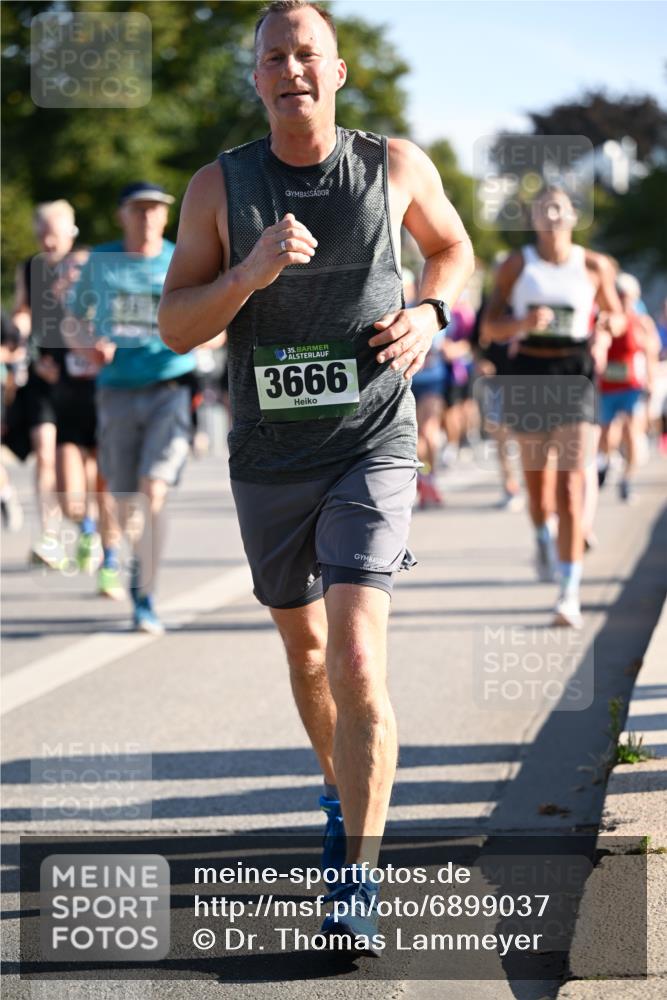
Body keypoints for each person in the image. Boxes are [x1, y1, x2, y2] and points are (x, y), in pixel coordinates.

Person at [158, 0, 474, 947]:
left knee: (356, 654)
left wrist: (430, 314)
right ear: (255, 79)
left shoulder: (393, 165)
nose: (291, 68)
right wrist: (247, 274)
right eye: (272, 57)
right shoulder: (218, 189)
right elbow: (177, 323)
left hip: (371, 439)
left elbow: (452, 247)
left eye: (308, 54)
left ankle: (356, 882)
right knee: (305, 657)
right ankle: (341, 798)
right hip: (268, 457)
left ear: (336, 73)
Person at [481, 186, 624, 629]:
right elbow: (489, 326)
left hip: (575, 373)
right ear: (534, 218)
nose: (551, 215)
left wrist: (605, 326)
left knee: (571, 487)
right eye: (543, 208)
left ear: (573, 215)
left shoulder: (594, 265)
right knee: (539, 490)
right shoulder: (516, 265)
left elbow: (618, 315)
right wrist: (522, 323)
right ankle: (542, 535)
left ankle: (569, 593)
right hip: (528, 374)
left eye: (558, 207)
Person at [67, 181, 197, 633]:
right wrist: (88, 346)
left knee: (152, 491)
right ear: (122, 215)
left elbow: (214, 319)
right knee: (124, 501)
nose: (147, 217)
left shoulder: (182, 257)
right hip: (116, 391)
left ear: (166, 216)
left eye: (155, 210)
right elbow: (71, 320)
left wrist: (196, 336)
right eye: (138, 209)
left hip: (170, 388)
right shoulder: (101, 262)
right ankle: (128, 568)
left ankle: (145, 597)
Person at [11, 200, 78, 566]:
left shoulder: (85, 266)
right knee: (44, 454)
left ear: (70, 231)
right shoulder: (30, 269)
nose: (46, 241)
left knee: (83, 471)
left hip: (81, 378)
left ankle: (89, 531)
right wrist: (17, 332)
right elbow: (23, 310)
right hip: (43, 372)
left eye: (53, 233)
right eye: (41, 234)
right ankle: (49, 535)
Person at [598, 272, 660, 503]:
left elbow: (650, 352)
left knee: (632, 432)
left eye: (628, 296)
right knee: (607, 435)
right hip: (607, 387)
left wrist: (651, 380)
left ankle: (627, 479)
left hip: (632, 385)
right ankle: (608, 460)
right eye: (620, 295)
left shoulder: (641, 322)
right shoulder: (605, 319)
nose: (624, 300)